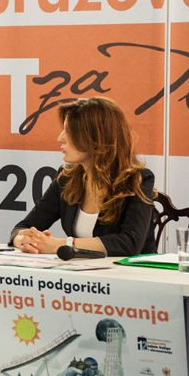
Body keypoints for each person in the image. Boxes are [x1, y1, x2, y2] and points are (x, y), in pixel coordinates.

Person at [10, 96, 155, 257]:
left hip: (131, 272)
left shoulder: (138, 179)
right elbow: (23, 227)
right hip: (82, 272)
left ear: (96, 138)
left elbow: (130, 243)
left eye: (69, 131)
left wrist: (61, 245)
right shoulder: (66, 178)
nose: (60, 138)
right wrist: (23, 240)